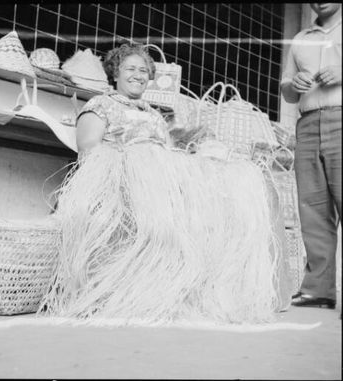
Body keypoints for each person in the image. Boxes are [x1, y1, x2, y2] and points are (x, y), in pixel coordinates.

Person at [39, 43, 286, 327]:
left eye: (144, 71)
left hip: (157, 191)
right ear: (115, 73)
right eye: (130, 69)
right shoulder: (100, 105)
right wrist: (135, 167)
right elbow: (89, 151)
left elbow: (168, 157)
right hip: (117, 186)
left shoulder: (154, 115)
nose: (138, 75)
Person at [280, 3, 341, 309]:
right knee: (312, 210)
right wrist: (294, 85)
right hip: (307, 123)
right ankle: (319, 290)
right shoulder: (301, 38)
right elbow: (287, 90)